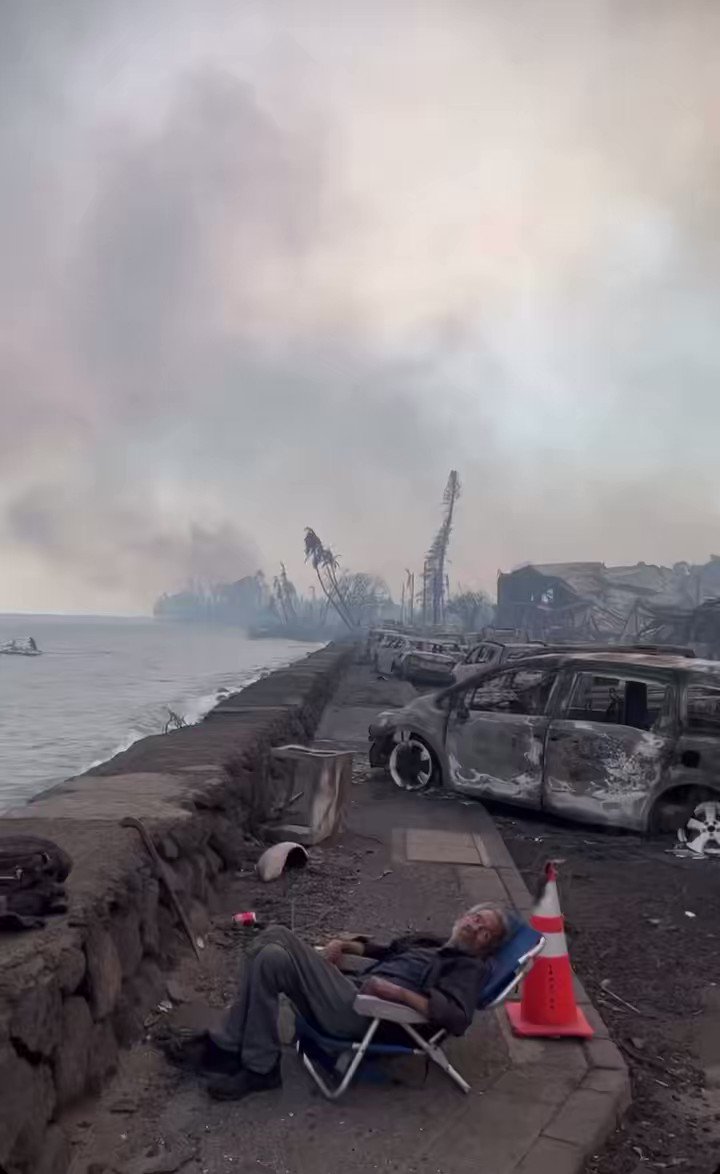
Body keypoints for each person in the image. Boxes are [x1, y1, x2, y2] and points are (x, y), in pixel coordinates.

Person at [167, 903, 509, 1102]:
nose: (474, 924)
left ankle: (226, 1046)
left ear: (486, 945)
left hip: (364, 1013)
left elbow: (457, 1016)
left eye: (485, 930)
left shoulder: (468, 967)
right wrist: (345, 947)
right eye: (476, 916)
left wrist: (397, 994)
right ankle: (258, 1065)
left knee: (279, 935)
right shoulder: (434, 943)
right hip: (350, 991)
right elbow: (383, 950)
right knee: (270, 958)